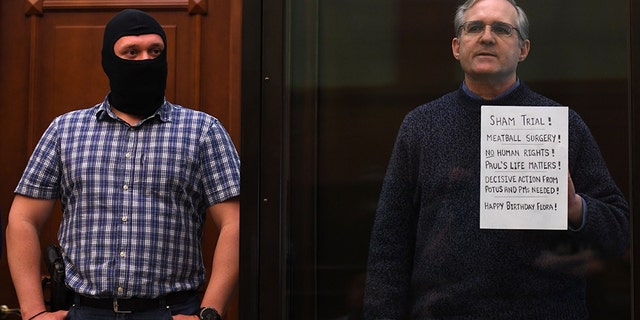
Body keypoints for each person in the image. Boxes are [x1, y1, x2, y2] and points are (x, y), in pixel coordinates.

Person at [363, 0, 629, 319]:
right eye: (475, 27)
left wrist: (575, 209)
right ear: (456, 46)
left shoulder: (562, 124)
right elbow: (389, 246)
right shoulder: (421, 126)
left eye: (502, 29)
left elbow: (618, 232)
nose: (487, 37)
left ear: (523, 49)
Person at [5, 9, 240, 320]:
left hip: (170, 311)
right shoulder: (65, 130)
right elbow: (22, 220)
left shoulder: (203, 130)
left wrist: (210, 312)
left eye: (155, 51)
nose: (145, 60)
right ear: (109, 60)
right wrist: (33, 312)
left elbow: (235, 223)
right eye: (132, 52)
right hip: (85, 311)